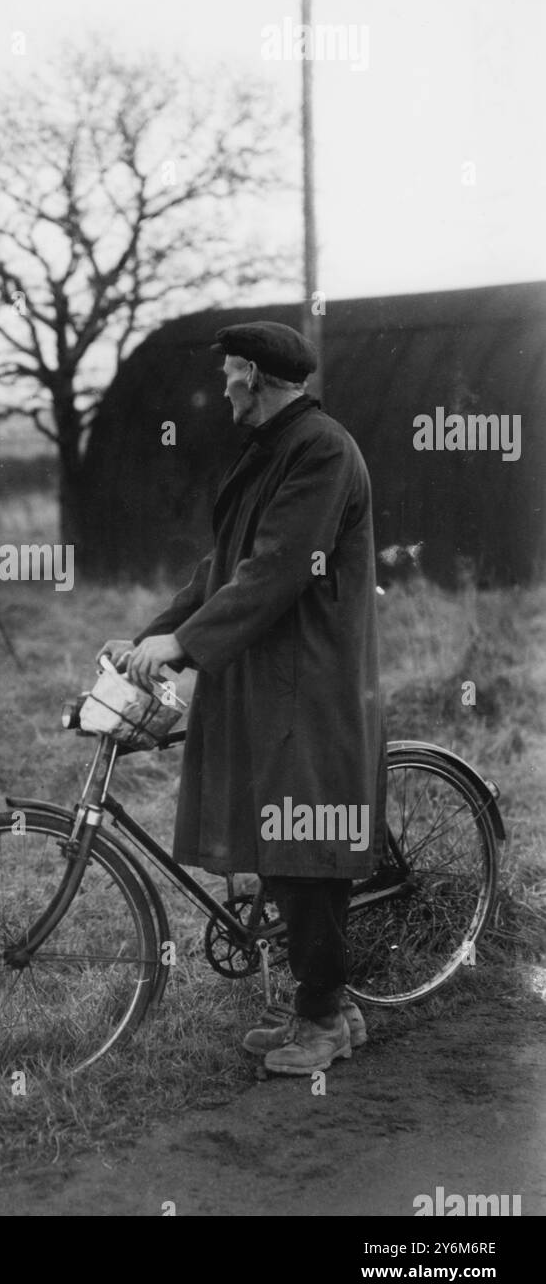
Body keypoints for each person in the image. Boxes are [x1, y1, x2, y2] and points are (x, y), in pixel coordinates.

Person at [98, 321, 386, 1075]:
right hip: (269, 677)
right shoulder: (271, 450)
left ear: (252, 376)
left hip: (308, 681)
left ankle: (320, 1023)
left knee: (302, 850)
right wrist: (153, 634)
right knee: (283, 847)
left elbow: (277, 571)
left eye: (228, 371)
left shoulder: (318, 448)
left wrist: (186, 647)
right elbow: (220, 568)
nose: (220, 384)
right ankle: (331, 1008)